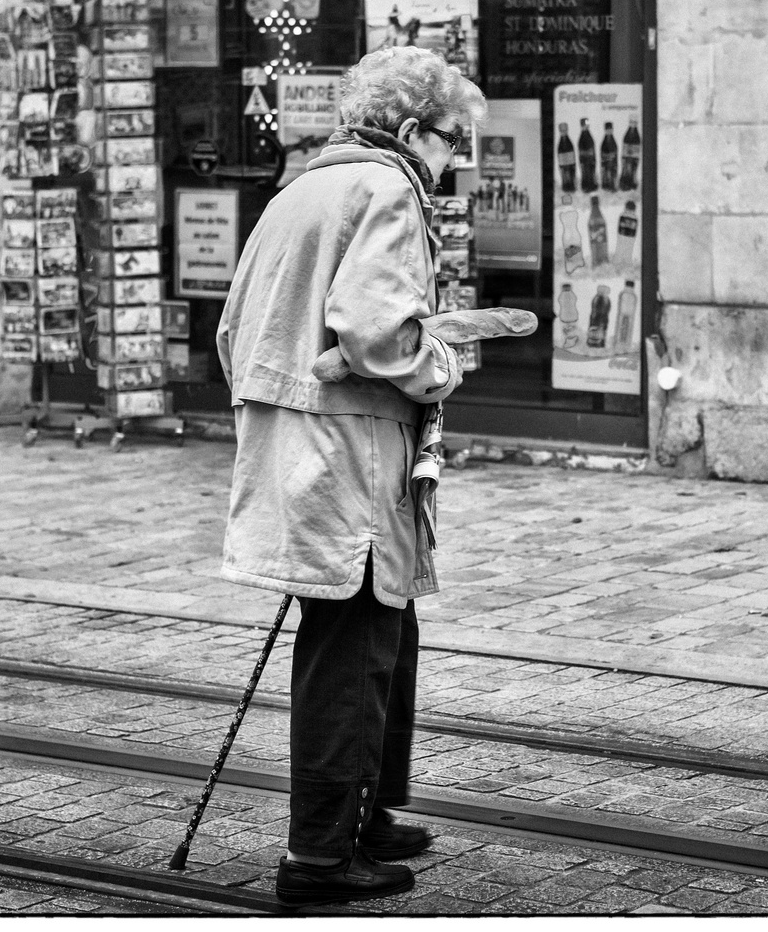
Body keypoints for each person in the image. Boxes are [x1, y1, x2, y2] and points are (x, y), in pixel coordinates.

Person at [215, 46, 487, 907]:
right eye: (452, 142)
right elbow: (377, 334)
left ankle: (364, 814)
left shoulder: (302, 187)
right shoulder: (387, 187)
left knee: (380, 635)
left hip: (295, 452)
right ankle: (321, 856)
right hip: (347, 457)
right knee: (354, 647)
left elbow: (232, 332)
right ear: (412, 132)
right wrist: (437, 362)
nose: (454, 164)